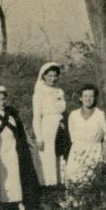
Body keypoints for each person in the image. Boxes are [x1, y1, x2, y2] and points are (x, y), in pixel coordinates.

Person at [64, 85, 106, 195]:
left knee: (91, 175)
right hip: (77, 149)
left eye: (91, 96)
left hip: (94, 149)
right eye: (85, 96)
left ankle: (91, 202)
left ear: (95, 98)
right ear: (80, 98)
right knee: (74, 174)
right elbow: (72, 133)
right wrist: (78, 146)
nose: (88, 99)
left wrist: (105, 147)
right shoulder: (74, 114)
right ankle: (75, 202)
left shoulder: (100, 114)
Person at [30, 62, 68, 194]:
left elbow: (63, 110)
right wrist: (39, 138)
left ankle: (61, 187)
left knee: (60, 157)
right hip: (47, 128)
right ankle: (48, 191)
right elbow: (36, 117)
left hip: (61, 127)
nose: (53, 79)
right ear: (44, 76)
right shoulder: (39, 94)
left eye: (55, 76)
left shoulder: (60, 91)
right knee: (48, 158)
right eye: (50, 76)